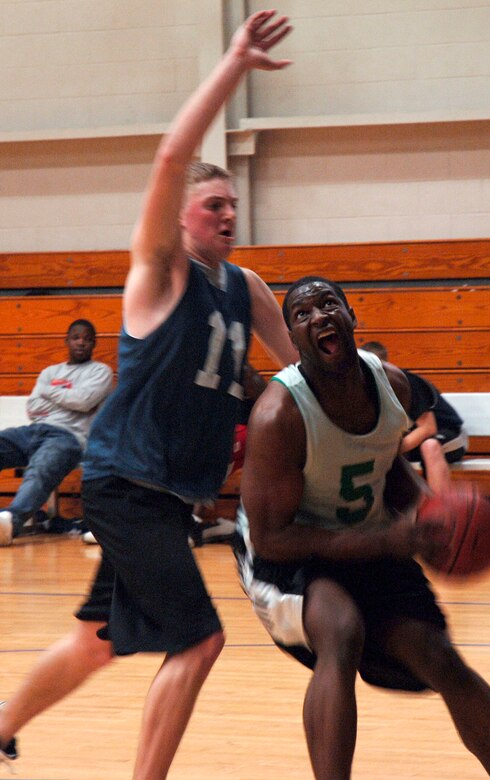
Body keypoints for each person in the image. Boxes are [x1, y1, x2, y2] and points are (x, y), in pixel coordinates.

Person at [0, 11, 297, 778]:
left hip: (166, 496)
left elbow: (299, 375)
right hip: (125, 483)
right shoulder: (160, 272)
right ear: (181, 215)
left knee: (98, 640)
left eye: (233, 205)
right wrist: (232, 64)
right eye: (212, 205)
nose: (227, 215)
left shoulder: (247, 286)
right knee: (200, 639)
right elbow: (170, 154)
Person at [235, 276, 490, 780]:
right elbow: (271, 537)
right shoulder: (279, 415)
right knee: (341, 633)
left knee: (441, 658)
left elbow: (388, 470)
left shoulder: (394, 384)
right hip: (288, 554)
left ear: (351, 318)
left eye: (328, 305)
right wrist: (387, 540)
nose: (319, 316)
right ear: (294, 341)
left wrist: (432, 514)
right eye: (302, 314)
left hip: (366, 539)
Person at [0, 319, 113, 546]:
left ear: (94, 344)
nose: (81, 343)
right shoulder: (50, 371)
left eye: (87, 339)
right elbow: (33, 408)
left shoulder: (101, 372)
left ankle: (10, 521)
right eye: (76, 337)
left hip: (69, 438)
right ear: (67, 341)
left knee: (41, 469)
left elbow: (83, 401)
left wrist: (49, 392)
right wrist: (67, 400)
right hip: (33, 431)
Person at [362, 340, 468, 494]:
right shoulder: (364, 390)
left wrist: (388, 450)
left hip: (449, 434)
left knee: (429, 446)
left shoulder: (406, 383)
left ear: (384, 365)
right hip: (413, 439)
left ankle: (442, 513)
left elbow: (428, 428)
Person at [190, 360, 268, 546]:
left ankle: (191, 523)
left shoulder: (232, 366)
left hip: (241, 435)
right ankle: (197, 524)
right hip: (247, 436)